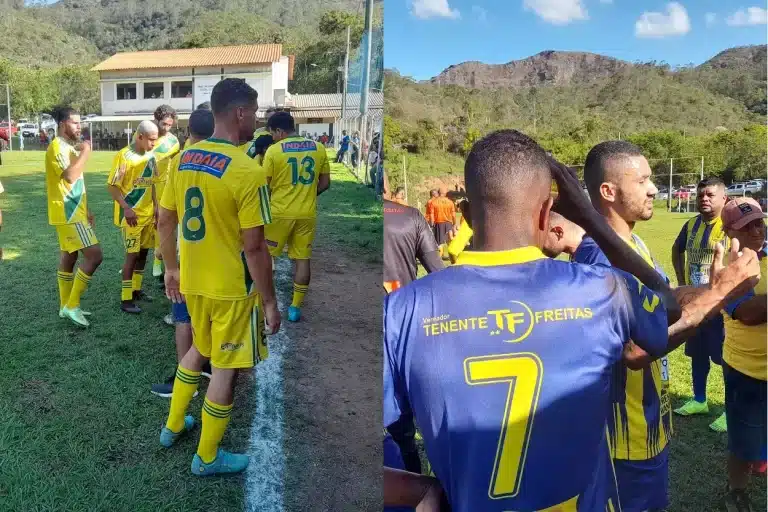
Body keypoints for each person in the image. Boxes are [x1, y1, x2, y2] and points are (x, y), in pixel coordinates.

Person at [383, 130, 759, 512]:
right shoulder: (600, 288)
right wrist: (591, 221)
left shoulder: (402, 310)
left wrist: (420, 491)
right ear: (547, 213)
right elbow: (666, 305)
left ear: (464, 215)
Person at [158, 78, 280, 476]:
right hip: (231, 289)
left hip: (192, 281)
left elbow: (165, 219)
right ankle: (207, 456)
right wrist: (270, 300)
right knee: (226, 367)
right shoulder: (248, 170)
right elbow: (255, 247)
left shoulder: (185, 158)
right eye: (256, 112)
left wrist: (171, 268)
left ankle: (174, 424)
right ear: (240, 113)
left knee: (198, 349)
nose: (258, 119)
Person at [575, 140, 676, 512]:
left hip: (647, 424)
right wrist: (718, 297)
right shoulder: (601, 258)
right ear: (609, 191)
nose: (653, 188)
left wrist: (710, 288)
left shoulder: (630, 243)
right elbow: (634, 352)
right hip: (624, 439)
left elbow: (659, 304)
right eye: (643, 180)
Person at [150, 108, 215, 398]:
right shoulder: (235, 161)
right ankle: (210, 365)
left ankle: (184, 379)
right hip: (218, 255)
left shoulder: (178, 162)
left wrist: (170, 267)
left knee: (183, 316)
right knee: (212, 317)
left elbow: (165, 218)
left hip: (187, 253)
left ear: (188, 131)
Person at [383, 178, 444, 475]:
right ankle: (411, 479)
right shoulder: (410, 216)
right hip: (402, 323)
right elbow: (437, 272)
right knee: (401, 416)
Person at [718, 197, 767, 512]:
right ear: (728, 234)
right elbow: (747, 312)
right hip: (747, 372)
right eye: (745, 227)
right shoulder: (727, 271)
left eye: (759, 223)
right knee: (743, 441)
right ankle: (736, 492)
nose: (756, 231)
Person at [671, 177, 729, 431]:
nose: (704, 199)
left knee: (727, 359)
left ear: (724, 198)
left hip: (721, 306)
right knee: (697, 354)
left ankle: (730, 411)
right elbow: (676, 249)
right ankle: (699, 400)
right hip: (695, 305)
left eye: (710, 195)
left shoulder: (731, 225)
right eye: (701, 195)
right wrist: (683, 284)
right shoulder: (691, 224)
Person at [263, 111, 331, 322]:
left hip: (278, 214)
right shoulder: (318, 148)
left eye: (273, 133)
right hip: (306, 214)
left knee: (267, 258)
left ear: (279, 131)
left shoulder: (274, 151)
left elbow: (264, 185)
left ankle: (266, 302)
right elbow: (326, 182)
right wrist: (309, 195)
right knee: (303, 259)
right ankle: (295, 307)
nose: (272, 137)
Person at [45, 106, 103, 327]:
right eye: (75, 123)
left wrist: (86, 208)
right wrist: (86, 151)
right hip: (68, 212)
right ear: (62, 124)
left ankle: (64, 306)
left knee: (69, 256)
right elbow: (70, 176)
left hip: (74, 209)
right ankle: (72, 304)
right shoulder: (57, 146)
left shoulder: (68, 146)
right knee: (95, 256)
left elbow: (75, 181)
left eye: (80, 123)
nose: (79, 126)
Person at [107, 120, 159, 314]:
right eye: (151, 140)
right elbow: (112, 186)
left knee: (144, 253)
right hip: (131, 216)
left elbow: (152, 182)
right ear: (139, 137)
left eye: (155, 140)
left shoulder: (151, 156)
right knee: (131, 256)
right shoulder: (124, 156)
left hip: (148, 214)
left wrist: (156, 207)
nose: (154, 144)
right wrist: (126, 208)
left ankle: (136, 289)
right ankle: (126, 299)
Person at [151, 105, 181, 279]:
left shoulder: (174, 142)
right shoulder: (145, 135)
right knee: (147, 226)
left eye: (170, 125)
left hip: (166, 186)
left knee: (162, 222)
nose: (166, 128)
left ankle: (158, 259)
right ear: (156, 120)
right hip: (147, 185)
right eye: (163, 124)